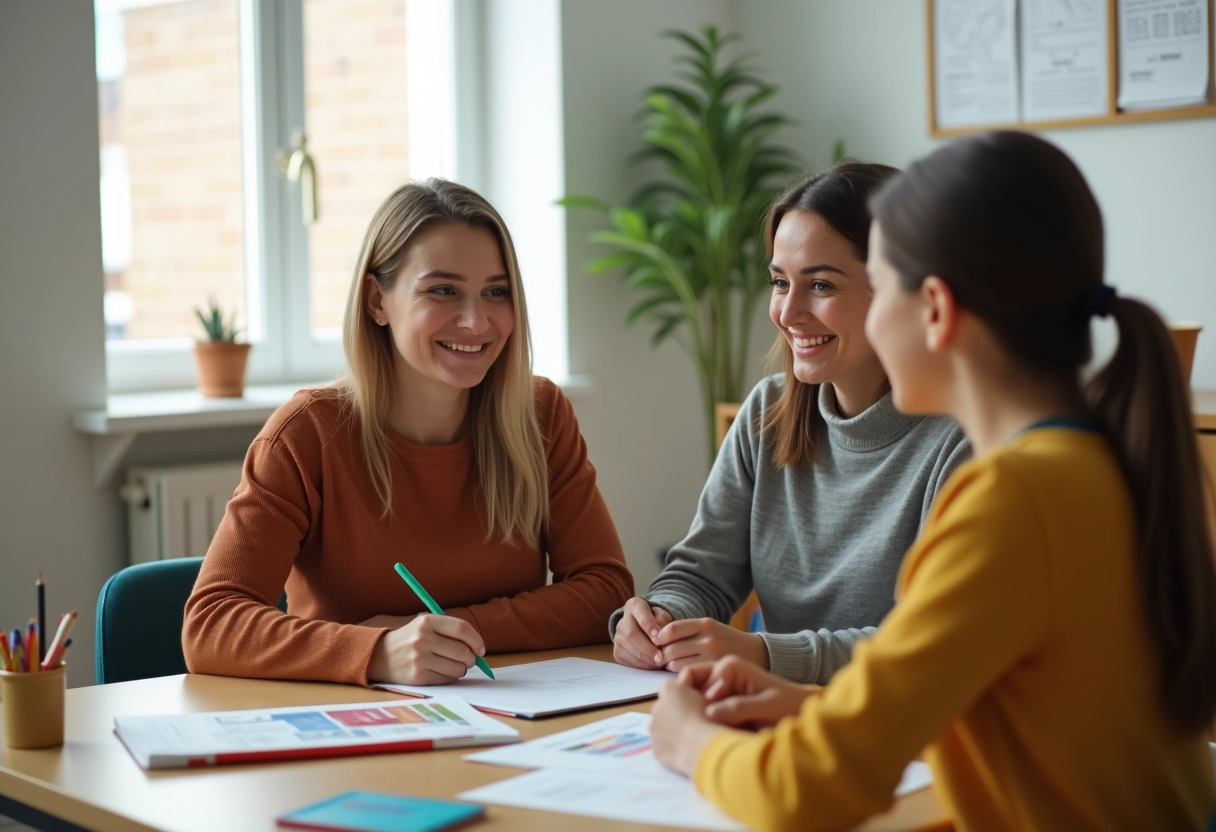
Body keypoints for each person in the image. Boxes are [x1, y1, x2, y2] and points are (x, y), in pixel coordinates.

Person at [649, 131, 1216, 831]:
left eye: (879, 288)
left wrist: (690, 742)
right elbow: (996, 705)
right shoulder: (1087, 465)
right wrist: (805, 703)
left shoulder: (1012, 499)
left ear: (937, 311)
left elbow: (810, 791)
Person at [183, 179, 634, 687]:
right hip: (350, 727)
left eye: (495, 292)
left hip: (503, 714)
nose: (475, 320)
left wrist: (451, 632)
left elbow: (605, 590)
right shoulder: (305, 433)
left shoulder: (541, 414)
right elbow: (211, 624)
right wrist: (377, 652)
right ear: (377, 301)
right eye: (443, 290)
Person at [610, 162, 970, 684]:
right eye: (780, 282)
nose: (788, 312)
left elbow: (933, 641)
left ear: (900, 290)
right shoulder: (768, 411)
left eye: (820, 284)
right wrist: (658, 617)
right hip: (785, 716)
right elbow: (700, 575)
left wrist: (764, 654)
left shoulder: (962, 436)